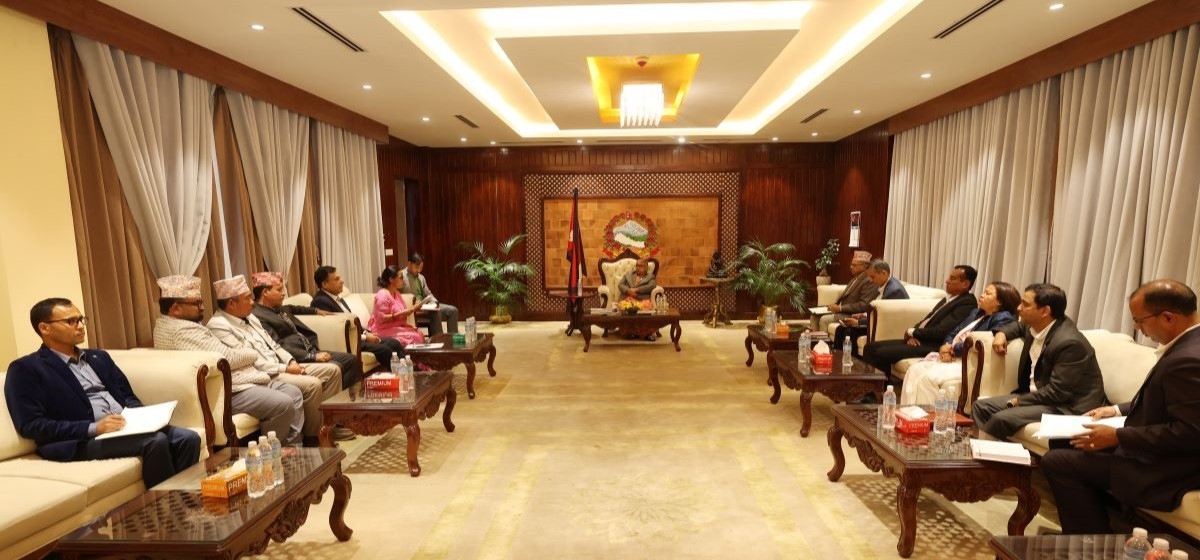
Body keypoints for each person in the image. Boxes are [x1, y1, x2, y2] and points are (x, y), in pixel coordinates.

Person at [1041, 280, 1200, 534]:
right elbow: (1166, 401)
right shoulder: (1188, 346)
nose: (1137, 328)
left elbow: (1190, 433)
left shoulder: (1188, 360)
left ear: (1168, 318)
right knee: (1064, 441)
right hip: (1155, 448)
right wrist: (1116, 410)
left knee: (1056, 461)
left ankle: (1091, 543)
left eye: (1139, 320)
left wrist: (1118, 436)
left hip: (1169, 468)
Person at [5, 298, 201, 487]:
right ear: (44, 328)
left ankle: (184, 499)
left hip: (126, 428)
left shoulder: (98, 357)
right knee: (155, 441)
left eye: (81, 319)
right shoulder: (26, 368)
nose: (80, 326)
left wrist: (143, 418)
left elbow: (126, 395)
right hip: (80, 440)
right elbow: (31, 425)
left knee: (188, 438)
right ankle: (165, 506)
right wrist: (94, 428)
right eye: (71, 321)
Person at [153, 275, 305, 446]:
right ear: (176, 308)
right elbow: (227, 358)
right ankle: (274, 451)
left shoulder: (170, 325)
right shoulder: (183, 331)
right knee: (283, 403)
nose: (203, 308)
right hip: (228, 391)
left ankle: (294, 447)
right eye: (197, 304)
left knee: (293, 392)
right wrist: (252, 352)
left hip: (241, 380)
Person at [207, 275, 341, 439]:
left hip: (281, 365)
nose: (252, 302)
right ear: (231, 304)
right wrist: (286, 369)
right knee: (312, 385)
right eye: (247, 298)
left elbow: (274, 345)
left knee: (333, 370)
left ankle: (330, 428)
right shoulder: (219, 325)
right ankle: (314, 438)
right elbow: (250, 360)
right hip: (265, 373)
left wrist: (291, 361)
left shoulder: (249, 317)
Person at [971, 283, 1108, 440]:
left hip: (1068, 405)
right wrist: (1001, 334)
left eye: (1025, 304)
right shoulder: (1038, 324)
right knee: (980, 407)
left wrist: (1019, 401)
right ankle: (981, 449)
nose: (1018, 308)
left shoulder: (1069, 343)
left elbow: (1057, 392)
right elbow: (1019, 326)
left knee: (1001, 418)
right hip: (1041, 396)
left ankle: (989, 452)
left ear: (1045, 311)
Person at [899, 281, 1019, 405]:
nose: (982, 295)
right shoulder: (976, 313)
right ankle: (909, 412)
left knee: (928, 378)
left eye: (987, 293)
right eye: (983, 292)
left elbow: (981, 343)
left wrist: (952, 349)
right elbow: (953, 331)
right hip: (954, 356)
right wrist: (946, 345)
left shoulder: (1003, 318)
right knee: (914, 370)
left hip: (968, 362)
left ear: (999, 301)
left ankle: (929, 416)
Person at [250, 271, 362, 389]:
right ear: (265, 292)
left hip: (310, 349)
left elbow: (294, 308)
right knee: (337, 365)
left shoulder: (278, 307)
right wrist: (311, 356)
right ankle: (338, 398)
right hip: (296, 358)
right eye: (279, 290)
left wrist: (316, 311)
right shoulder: (259, 317)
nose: (283, 294)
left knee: (351, 359)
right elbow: (278, 346)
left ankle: (349, 397)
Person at [862, 265, 979, 375]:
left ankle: (880, 388)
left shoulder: (966, 303)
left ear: (965, 284)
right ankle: (868, 386)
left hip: (932, 344)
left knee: (880, 353)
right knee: (870, 347)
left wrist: (912, 332)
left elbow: (941, 331)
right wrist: (912, 334)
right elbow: (926, 319)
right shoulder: (949, 298)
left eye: (952, 278)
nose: (947, 281)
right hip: (921, 339)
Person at [311, 265, 407, 367]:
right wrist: (365, 337)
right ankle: (399, 374)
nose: (342, 281)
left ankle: (408, 371)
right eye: (336, 279)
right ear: (324, 284)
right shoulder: (320, 302)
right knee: (385, 350)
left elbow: (353, 323)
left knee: (394, 343)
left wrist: (366, 333)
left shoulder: (336, 298)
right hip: (350, 342)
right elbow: (338, 330)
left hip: (358, 337)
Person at [834, 259, 909, 355]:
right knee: (840, 329)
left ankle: (851, 362)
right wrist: (864, 315)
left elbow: (883, 318)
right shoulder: (884, 285)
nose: (870, 280)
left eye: (872, 276)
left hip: (886, 328)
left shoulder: (894, 291)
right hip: (878, 323)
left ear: (884, 273)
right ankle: (838, 358)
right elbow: (878, 310)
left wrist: (858, 322)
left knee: (850, 331)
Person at [815, 251, 879, 334]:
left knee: (824, 320)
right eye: (851, 264)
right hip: (841, 311)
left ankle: (823, 342)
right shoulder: (856, 278)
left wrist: (840, 308)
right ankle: (813, 341)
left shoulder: (869, 280)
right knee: (814, 316)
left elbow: (864, 305)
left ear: (864, 267)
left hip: (851, 315)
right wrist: (834, 306)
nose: (851, 267)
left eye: (854, 265)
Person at [402, 252, 459, 336]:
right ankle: (439, 339)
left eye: (421, 267)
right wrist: (412, 304)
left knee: (452, 310)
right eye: (416, 267)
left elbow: (428, 293)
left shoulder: (421, 277)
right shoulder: (401, 276)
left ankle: (452, 338)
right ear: (409, 264)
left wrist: (435, 302)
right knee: (435, 313)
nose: (419, 270)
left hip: (425, 306)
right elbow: (399, 296)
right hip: (413, 308)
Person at [372, 265, 427, 346]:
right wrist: (399, 314)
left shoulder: (396, 293)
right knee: (415, 337)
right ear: (391, 279)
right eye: (400, 278)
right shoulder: (382, 295)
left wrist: (414, 308)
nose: (403, 280)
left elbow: (403, 311)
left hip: (395, 327)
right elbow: (380, 318)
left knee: (419, 334)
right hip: (383, 330)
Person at [618, 258, 659, 340]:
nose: (638, 268)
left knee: (646, 308)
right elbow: (620, 284)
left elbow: (651, 286)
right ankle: (630, 332)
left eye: (640, 266)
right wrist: (628, 290)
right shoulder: (629, 274)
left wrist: (637, 290)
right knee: (627, 307)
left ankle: (646, 334)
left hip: (642, 299)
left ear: (646, 267)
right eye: (637, 266)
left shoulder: (650, 276)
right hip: (628, 298)